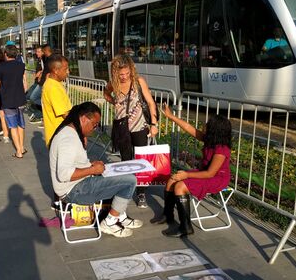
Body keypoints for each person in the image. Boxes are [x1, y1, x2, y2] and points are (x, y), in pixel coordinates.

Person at [49, 102, 142, 237]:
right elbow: (64, 174)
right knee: (130, 181)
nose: (95, 128)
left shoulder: (70, 132)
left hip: (77, 185)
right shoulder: (68, 139)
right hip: (74, 191)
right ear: (84, 118)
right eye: (94, 124)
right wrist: (93, 170)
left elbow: (72, 164)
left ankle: (120, 216)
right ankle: (109, 222)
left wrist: (91, 165)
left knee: (122, 174)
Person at [158, 106, 232, 237]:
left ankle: (186, 227)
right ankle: (167, 215)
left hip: (217, 178)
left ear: (215, 130)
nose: (205, 125)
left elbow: (210, 173)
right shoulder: (210, 140)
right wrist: (171, 116)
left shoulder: (221, 149)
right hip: (204, 172)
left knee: (180, 186)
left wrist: (187, 174)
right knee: (172, 179)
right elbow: (189, 128)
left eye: (208, 124)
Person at [103, 55, 158, 209]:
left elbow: (150, 103)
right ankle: (126, 190)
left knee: (142, 161)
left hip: (139, 127)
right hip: (122, 128)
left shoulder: (138, 82)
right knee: (126, 161)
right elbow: (105, 93)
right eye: (121, 74)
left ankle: (141, 192)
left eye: (127, 73)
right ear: (115, 73)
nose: (124, 77)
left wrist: (154, 124)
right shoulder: (113, 84)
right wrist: (114, 102)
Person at [0, 44, 27, 158]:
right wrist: (24, 92)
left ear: (5, 54)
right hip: (20, 99)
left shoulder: (0, 67)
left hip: (8, 100)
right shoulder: (21, 66)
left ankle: (19, 152)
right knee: (21, 124)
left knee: (13, 126)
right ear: (15, 54)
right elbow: (24, 82)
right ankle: (21, 147)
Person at [41, 54, 71, 146]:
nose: (68, 72)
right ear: (56, 71)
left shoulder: (54, 83)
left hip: (60, 136)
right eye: (65, 69)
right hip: (60, 138)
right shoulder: (53, 88)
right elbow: (65, 114)